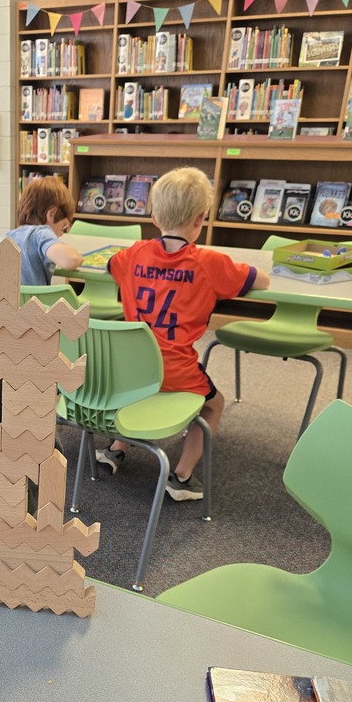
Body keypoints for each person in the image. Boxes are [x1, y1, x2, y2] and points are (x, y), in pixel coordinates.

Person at [97, 166, 270, 500]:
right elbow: (260, 280)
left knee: (138, 389)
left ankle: (116, 449)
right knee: (214, 406)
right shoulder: (209, 262)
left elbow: (110, 264)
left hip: (130, 371)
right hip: (176, 371)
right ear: (200, 219)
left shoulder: (133, 254)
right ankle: (181, 476)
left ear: (154, 216)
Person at [0, 175, 82, 285]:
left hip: (7, 296)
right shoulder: (42, 233)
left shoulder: (6, 238)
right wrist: (78, 257)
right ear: (51, 214)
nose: (61, 234)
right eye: (64, 226)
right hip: (35, 297)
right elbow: (71, 260)